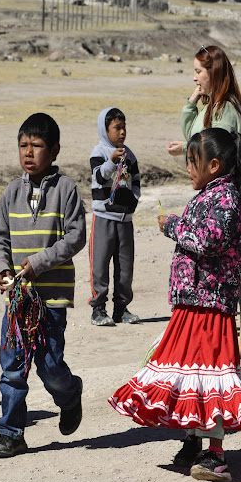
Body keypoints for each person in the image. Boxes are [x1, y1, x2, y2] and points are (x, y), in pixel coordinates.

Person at [108, 128, 241, 482]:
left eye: (193, 162)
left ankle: (216, 454)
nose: (188, 169)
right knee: (188, 373)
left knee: (212, 378)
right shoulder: (211, 195)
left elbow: (208, 241)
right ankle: (193, 440)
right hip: (192, 302)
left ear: (214, 165)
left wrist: (174, 227)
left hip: (210, 305)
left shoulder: (228, 200)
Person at [0, 113, 86, 458]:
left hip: (52, 298)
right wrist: (2, 270)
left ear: (55, 149)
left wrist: (40, 263)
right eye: (23, 145)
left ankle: (70, 394)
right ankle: (11, 432)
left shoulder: (66, 190)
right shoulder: (11, 192)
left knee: (49, 365)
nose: (28, 152)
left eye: (37, 145)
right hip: (18, 300)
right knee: (13, 366)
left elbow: (76, 238)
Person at [89, 107, 141, 326]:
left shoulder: (130, 154)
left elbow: (136, 180)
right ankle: (98, 310)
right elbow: (99, 177)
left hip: (125, 221)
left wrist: (133, 201)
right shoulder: (99, 153)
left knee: (125, 268)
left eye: (124, 127)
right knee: (99, 266)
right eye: (117, 128)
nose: (122, 132)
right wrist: (111, 161)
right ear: (105, 129)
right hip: (103, 219)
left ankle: (121, 309)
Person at [166, 45, 241, 157]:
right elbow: (192, 136)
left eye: (198, 71)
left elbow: (217, 151)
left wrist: (186, 148)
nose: (194, 78)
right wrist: (191, 103)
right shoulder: (214, 104)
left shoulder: (224, 109)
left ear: (213, 72)